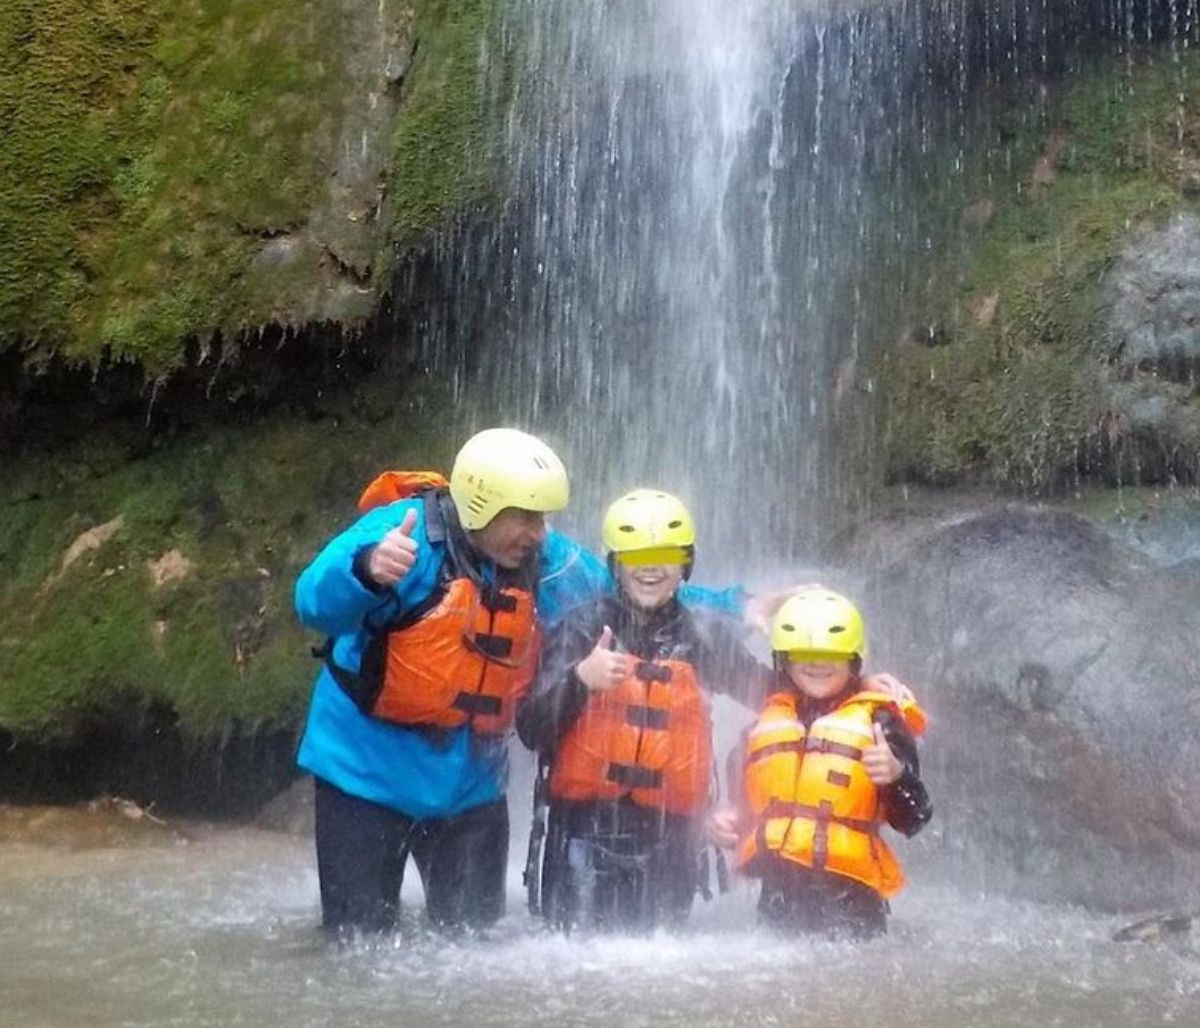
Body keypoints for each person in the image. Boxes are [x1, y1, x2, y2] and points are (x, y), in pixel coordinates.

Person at [294, 431, 744, 937]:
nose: (539, 532)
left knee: (473, 943)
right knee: (358, 942)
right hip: (364, 777)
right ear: (482, 505)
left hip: (470, 790)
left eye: (543, 518)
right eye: (526, 517)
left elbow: (633, 590)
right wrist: (369, 569)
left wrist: (739, 605)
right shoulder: (402, 534)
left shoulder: (546, 562)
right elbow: (312, 602)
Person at [516, 489, 773, 933]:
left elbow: (775, 700)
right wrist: (581, 680)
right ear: (615, 563)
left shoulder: (702, 636)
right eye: (637, 555)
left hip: (670, 841)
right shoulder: (581, 627)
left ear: (685, 564)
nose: (651, 568)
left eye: (665, 555)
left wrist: (858, 686)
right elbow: (532, 728)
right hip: (583, 835)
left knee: (658, 965)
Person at [710, 587, 931, 939]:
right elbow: (741, 810)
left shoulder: (881, 724)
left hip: (853, 906)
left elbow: (916, 817)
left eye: (832, 654)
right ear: (784, 660)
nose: (817, 664)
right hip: (780, 901)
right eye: (804, 654)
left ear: (854, 660)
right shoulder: (761, 728)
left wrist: (896, 776)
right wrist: (725, 824)